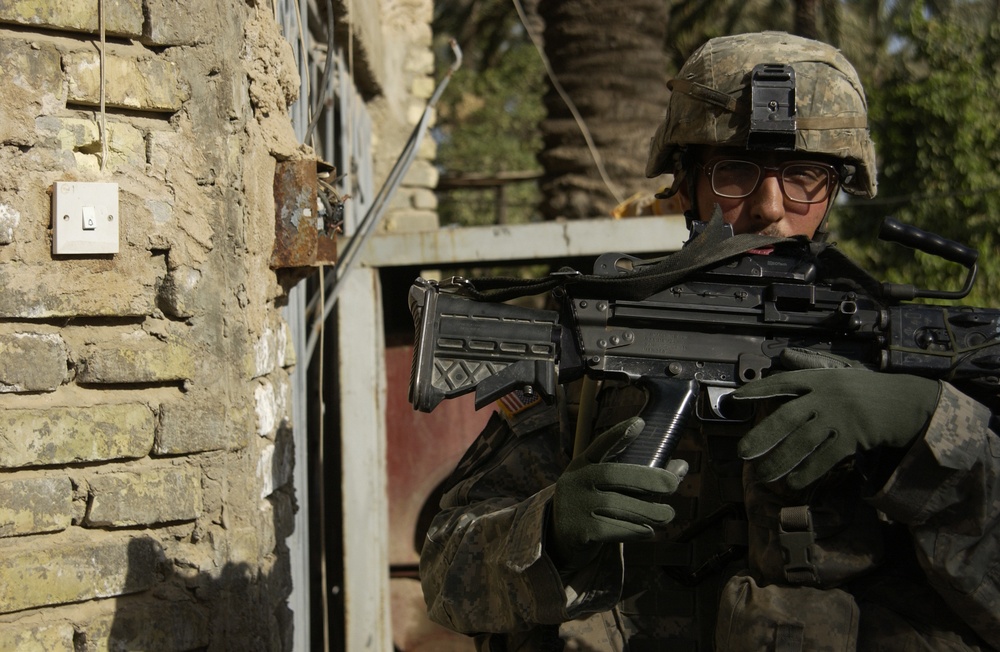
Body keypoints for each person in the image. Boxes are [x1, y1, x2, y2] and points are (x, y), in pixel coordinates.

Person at [419, 31, 1000, 651]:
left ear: (837, 188)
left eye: (805, 175)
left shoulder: (916, 353)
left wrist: (930, 430)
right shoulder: (608, 339)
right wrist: (551, 531)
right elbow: (446, 575)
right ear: (689, 182)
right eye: (736, 173)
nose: (771, 208)